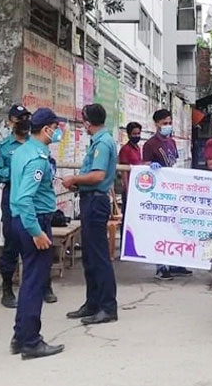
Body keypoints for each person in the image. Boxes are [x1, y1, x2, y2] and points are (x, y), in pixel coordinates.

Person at [8, 108, 66, 359]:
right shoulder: (38, 159)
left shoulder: (22, 151)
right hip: (33, 221)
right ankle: (31, 341)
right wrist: (36, 231)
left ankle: (20, 336)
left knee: (29, 280)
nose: (58, 132)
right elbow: (24, 198)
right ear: (46, 129)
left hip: (21, 219)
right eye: (56, 128)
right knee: (35, 282)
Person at [0, 104, 57, 308]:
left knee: (41, 251)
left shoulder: (34, 145)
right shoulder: (4, 147)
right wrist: (16, 173)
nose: (24, 122)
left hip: (34, 201)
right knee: (12, 244)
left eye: (27, 117)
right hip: (15, 195)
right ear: (10, 121)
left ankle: (45, 286)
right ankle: (7, 288)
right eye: (19, 118)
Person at [63, 104, 119, 325]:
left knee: (98, 256)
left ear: (87, 122)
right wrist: (79, 184)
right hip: (90, 198)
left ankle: (107, 307)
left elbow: (97, 176)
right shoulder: (99, 141)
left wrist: (74, 179)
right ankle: (92, 303)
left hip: (96, 201)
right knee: (89, 256)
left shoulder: (102, 143)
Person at [142, 109, 192, 280]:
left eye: (169, 123)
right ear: (156, 124)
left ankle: (176, 263)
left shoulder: (172, 142)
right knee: (160, 228)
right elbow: (145, 166)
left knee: (175, 227)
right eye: (164, 123)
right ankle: (161, 266)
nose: (168, 126)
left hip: (173, 190)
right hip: (159, 193)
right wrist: (151, 167)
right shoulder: (150, 144)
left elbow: (174, 163)